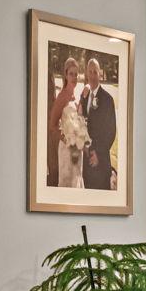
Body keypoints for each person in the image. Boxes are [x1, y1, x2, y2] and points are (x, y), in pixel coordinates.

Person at [80, 56, 117, 190]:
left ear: (100, 74)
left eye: (95, 72)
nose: (92, 75)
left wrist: (98, 154)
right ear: (86, 74)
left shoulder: (107, 99)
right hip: (86, 160)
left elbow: (111, 132)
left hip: (100, 162)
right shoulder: (84, 96)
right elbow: (81, 122)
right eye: (90, 72)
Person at [50, 54, 85, 187]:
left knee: (77, 182)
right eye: (71, 74)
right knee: (67, 184)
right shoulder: (62, 97)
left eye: (76, 74)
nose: (74, 77)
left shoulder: (76, 96)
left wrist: (80, 138)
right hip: (66, 149)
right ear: (65, 75)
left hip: (78, 150)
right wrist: (67, 140)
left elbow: (79, 122)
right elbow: (52, 125)